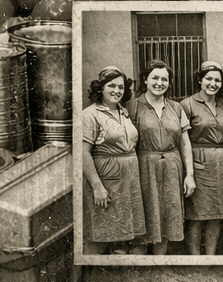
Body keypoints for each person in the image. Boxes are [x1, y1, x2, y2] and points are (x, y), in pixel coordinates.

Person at [125, 59, 191, 256]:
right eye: (154, 78)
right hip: (144, 166)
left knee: (167, 216)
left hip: (172, 166)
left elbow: (185, 143)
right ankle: (140, 265)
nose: (159, 83)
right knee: (144, 214)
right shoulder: (131, 107)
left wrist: (190, 175)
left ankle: (158, 262)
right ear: (145, 79)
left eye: (164, 79)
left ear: (169, 83)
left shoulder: (176, 108)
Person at [79, 66, 143, 254]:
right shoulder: (90, 115)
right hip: (106, 180)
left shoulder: (123, 112)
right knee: (101, 229)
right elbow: (83, 153)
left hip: (128, 179)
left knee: (121, 229)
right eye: (111, 86)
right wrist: (97, 186)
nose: (117, 91)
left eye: (121, 87)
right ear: (100, 88)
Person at [181, 61, 223, 255]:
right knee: (196, 216)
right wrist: (189, 172)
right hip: (198, 162)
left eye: (217, 80)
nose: (213, 83)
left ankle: (210, 257)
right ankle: (196, 259)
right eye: (209, 79)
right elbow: (183, 140)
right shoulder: (187, 105)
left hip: (222, 163)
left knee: (216, 215)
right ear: (199, 80)